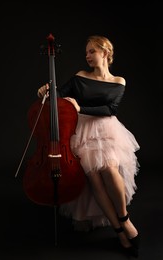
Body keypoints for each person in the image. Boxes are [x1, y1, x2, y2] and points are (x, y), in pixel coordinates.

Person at [37, 35, 140, 257]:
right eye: (86, 53)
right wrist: (47, 90)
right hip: (83, 132)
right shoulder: (80, 77)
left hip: (107, 130)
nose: (87, 56)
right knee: (94, 181)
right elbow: (60, 95)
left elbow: (110, 109)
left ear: (105, 52)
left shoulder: (118, 82)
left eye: (91, 51)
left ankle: (124, 219)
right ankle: (119, 231)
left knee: (109, 169)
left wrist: (80, 107)